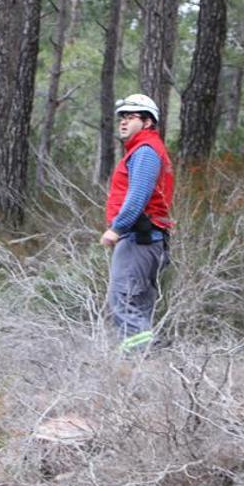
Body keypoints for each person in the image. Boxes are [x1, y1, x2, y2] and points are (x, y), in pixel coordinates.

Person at [100, 94, 174, 352]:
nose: (124, 122)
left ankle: (136, 362)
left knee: (124, 300)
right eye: (123, 116)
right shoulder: (144, 151)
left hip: (139, 239)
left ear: (147, 123)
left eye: (131, 117)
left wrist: (116, 229)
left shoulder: (145, 152)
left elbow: (138, 196)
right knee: (138, 305)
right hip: (149, 240)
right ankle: (149, 363)